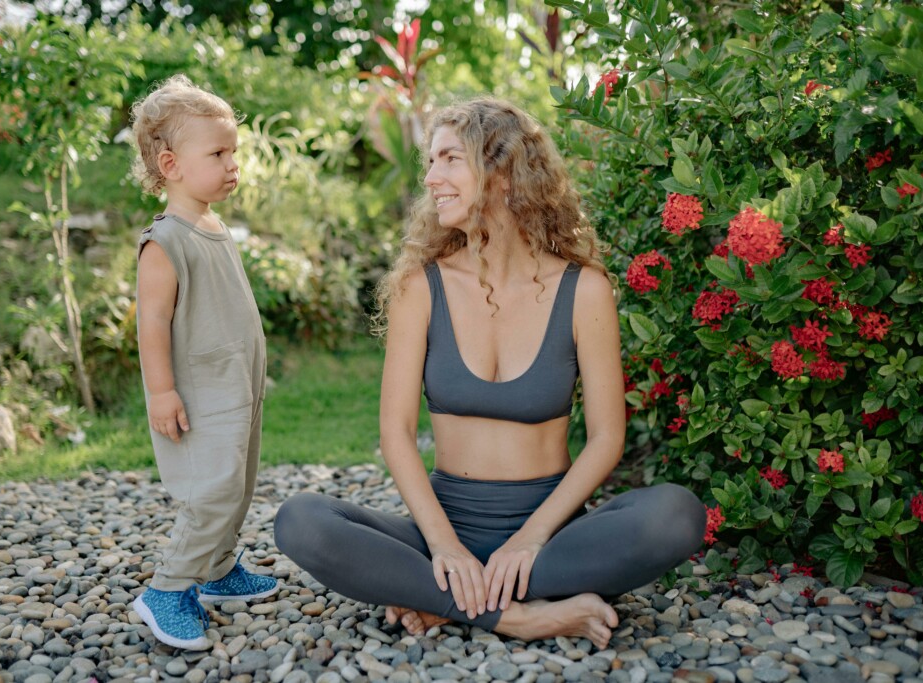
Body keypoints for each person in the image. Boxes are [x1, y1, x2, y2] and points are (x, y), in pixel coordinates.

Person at [274, 98, 705, 649]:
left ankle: (447, 601)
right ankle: (518, 614)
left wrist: (528, 541)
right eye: (430, 162)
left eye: (449, 159)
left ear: (501, 170)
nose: (431, 178)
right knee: (301, 519)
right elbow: (396, 435)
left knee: (675, 513)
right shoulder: (420, 287)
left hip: (550, 536)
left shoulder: (583, 290)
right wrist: (446, 548)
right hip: (443, 529)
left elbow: (606, 439)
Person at [129, 74, 277, 651]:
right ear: (171, 165)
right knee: (211, 489)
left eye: (233, 151)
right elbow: (152, 325)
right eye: (217, 153)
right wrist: (162, 392)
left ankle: (215, 571)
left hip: (235, 386)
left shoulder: (214, 226)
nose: (232, 163)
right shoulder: (166, 241)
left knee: (237, 484)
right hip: (197, 393)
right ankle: (167, 588)